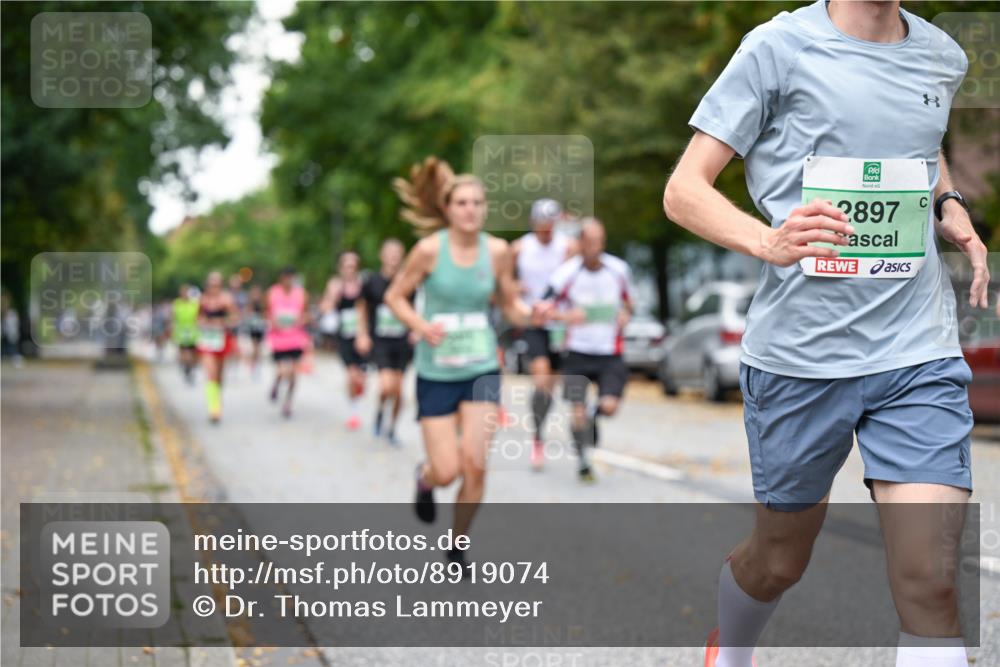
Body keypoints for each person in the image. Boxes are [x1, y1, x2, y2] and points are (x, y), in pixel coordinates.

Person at [662, 2, 989, 665]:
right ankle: (731, 648)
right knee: (779, 561)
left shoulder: (941, 55)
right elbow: (682, 190)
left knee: (931, 578)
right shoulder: (776, 49)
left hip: (916, 349)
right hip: (800, 358)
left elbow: (920, 143)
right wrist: (767, 239)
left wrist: (947, 203)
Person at [384, 157, 542, 571]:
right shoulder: (428, 251)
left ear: (485, 208)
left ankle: (456, 545)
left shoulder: (499, 252)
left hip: (481, 368)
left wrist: (533, 314)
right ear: (448, 209)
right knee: (448, 470)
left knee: (475, 465)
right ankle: (426, 478)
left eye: (477, 202)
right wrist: (420, 324)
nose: (470, 209)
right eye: (462, 203)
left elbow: (509, 307)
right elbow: (395, 297)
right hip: (436, 371)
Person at [541, 219, 632, 482]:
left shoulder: (619, 270)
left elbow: (629, 303)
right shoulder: (566, 274)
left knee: (611, 407)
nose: (595, 248)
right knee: (576, 410)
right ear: (580, 243)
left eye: (599, 242)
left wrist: (626, 314)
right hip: (577, 352)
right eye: (589, 242)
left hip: (609, 352)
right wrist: (565, 316)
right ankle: (583, 460)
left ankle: (596, 415)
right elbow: (542, 309)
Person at [512, 198, 578, 470]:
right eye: (541, 226)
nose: (545, 231)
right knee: (540, 380)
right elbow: (504, 280)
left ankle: (539, 430)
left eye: (550, 226)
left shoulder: (568, 247)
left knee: (550, 388)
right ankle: (537, 439)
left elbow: (578, 278)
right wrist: (515, 287)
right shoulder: (519, 248)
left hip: (560, 324)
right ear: (533, 223)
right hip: (534, 321)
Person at [355, 239, 415, 445]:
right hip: (380, 340)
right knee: (386, 386)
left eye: (397, 253)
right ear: (382, 255)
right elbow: (361, 308)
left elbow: (417, 308)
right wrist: (362, 334)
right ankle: (380, 411)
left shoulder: (408, 282)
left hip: (402, 341)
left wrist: (416, 330)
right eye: (389, 253)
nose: (393, 257)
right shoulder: (371, 281)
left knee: (399, 390)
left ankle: (392, 428)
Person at [320, 251, 368, 430]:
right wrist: (333, 296)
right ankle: (353, 412)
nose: (350, 269)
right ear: (341, 268)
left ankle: (357, 394)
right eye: (347, 266)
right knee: (351, 375)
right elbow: (325, 309)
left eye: (353, 266)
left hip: (362, 336)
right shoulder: (335, 285)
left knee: (361, 379)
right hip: (344, 337)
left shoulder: (363, 285)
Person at [266, 267, 311, 419]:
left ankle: (288, 402)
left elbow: (306, 313)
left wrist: (303, 320)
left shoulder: (301, 294)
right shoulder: (273, 292)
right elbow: (267, 312)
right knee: (282, 371)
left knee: (292, 373)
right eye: (285, 277)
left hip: (295, 338)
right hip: (278, 338)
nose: (288, 280)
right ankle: (276, 385)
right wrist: (273, 322)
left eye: (291, 277)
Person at [196, 271, 241, 423]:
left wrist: (223, 323)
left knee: (219, 376)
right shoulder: (202, 300)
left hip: (222, 339)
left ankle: (218, 399)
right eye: (211, 284)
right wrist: (203, 323)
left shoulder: (226, 299)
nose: (213, 287)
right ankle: (213, 408)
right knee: (211, 374)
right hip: (207, 340)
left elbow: (235, 318)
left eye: (217, 285)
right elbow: (198, 318)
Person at [171, 284, 200, 383]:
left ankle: (191, 367)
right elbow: (173, 318)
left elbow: (198, 317)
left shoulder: (194, 304)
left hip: (192, 330)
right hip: (181, 331)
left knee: (192, 352)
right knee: (183, 351)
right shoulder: (177, 303)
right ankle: (186, 367)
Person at [244, 285, 268, 380]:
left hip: (260, 327)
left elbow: (265, 313)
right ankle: (253, 365)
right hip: (253, 327)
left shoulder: (262, 303)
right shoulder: (250, 303)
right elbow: (247, 312)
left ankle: (256, 365)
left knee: (259, 348)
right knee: (254, 347)